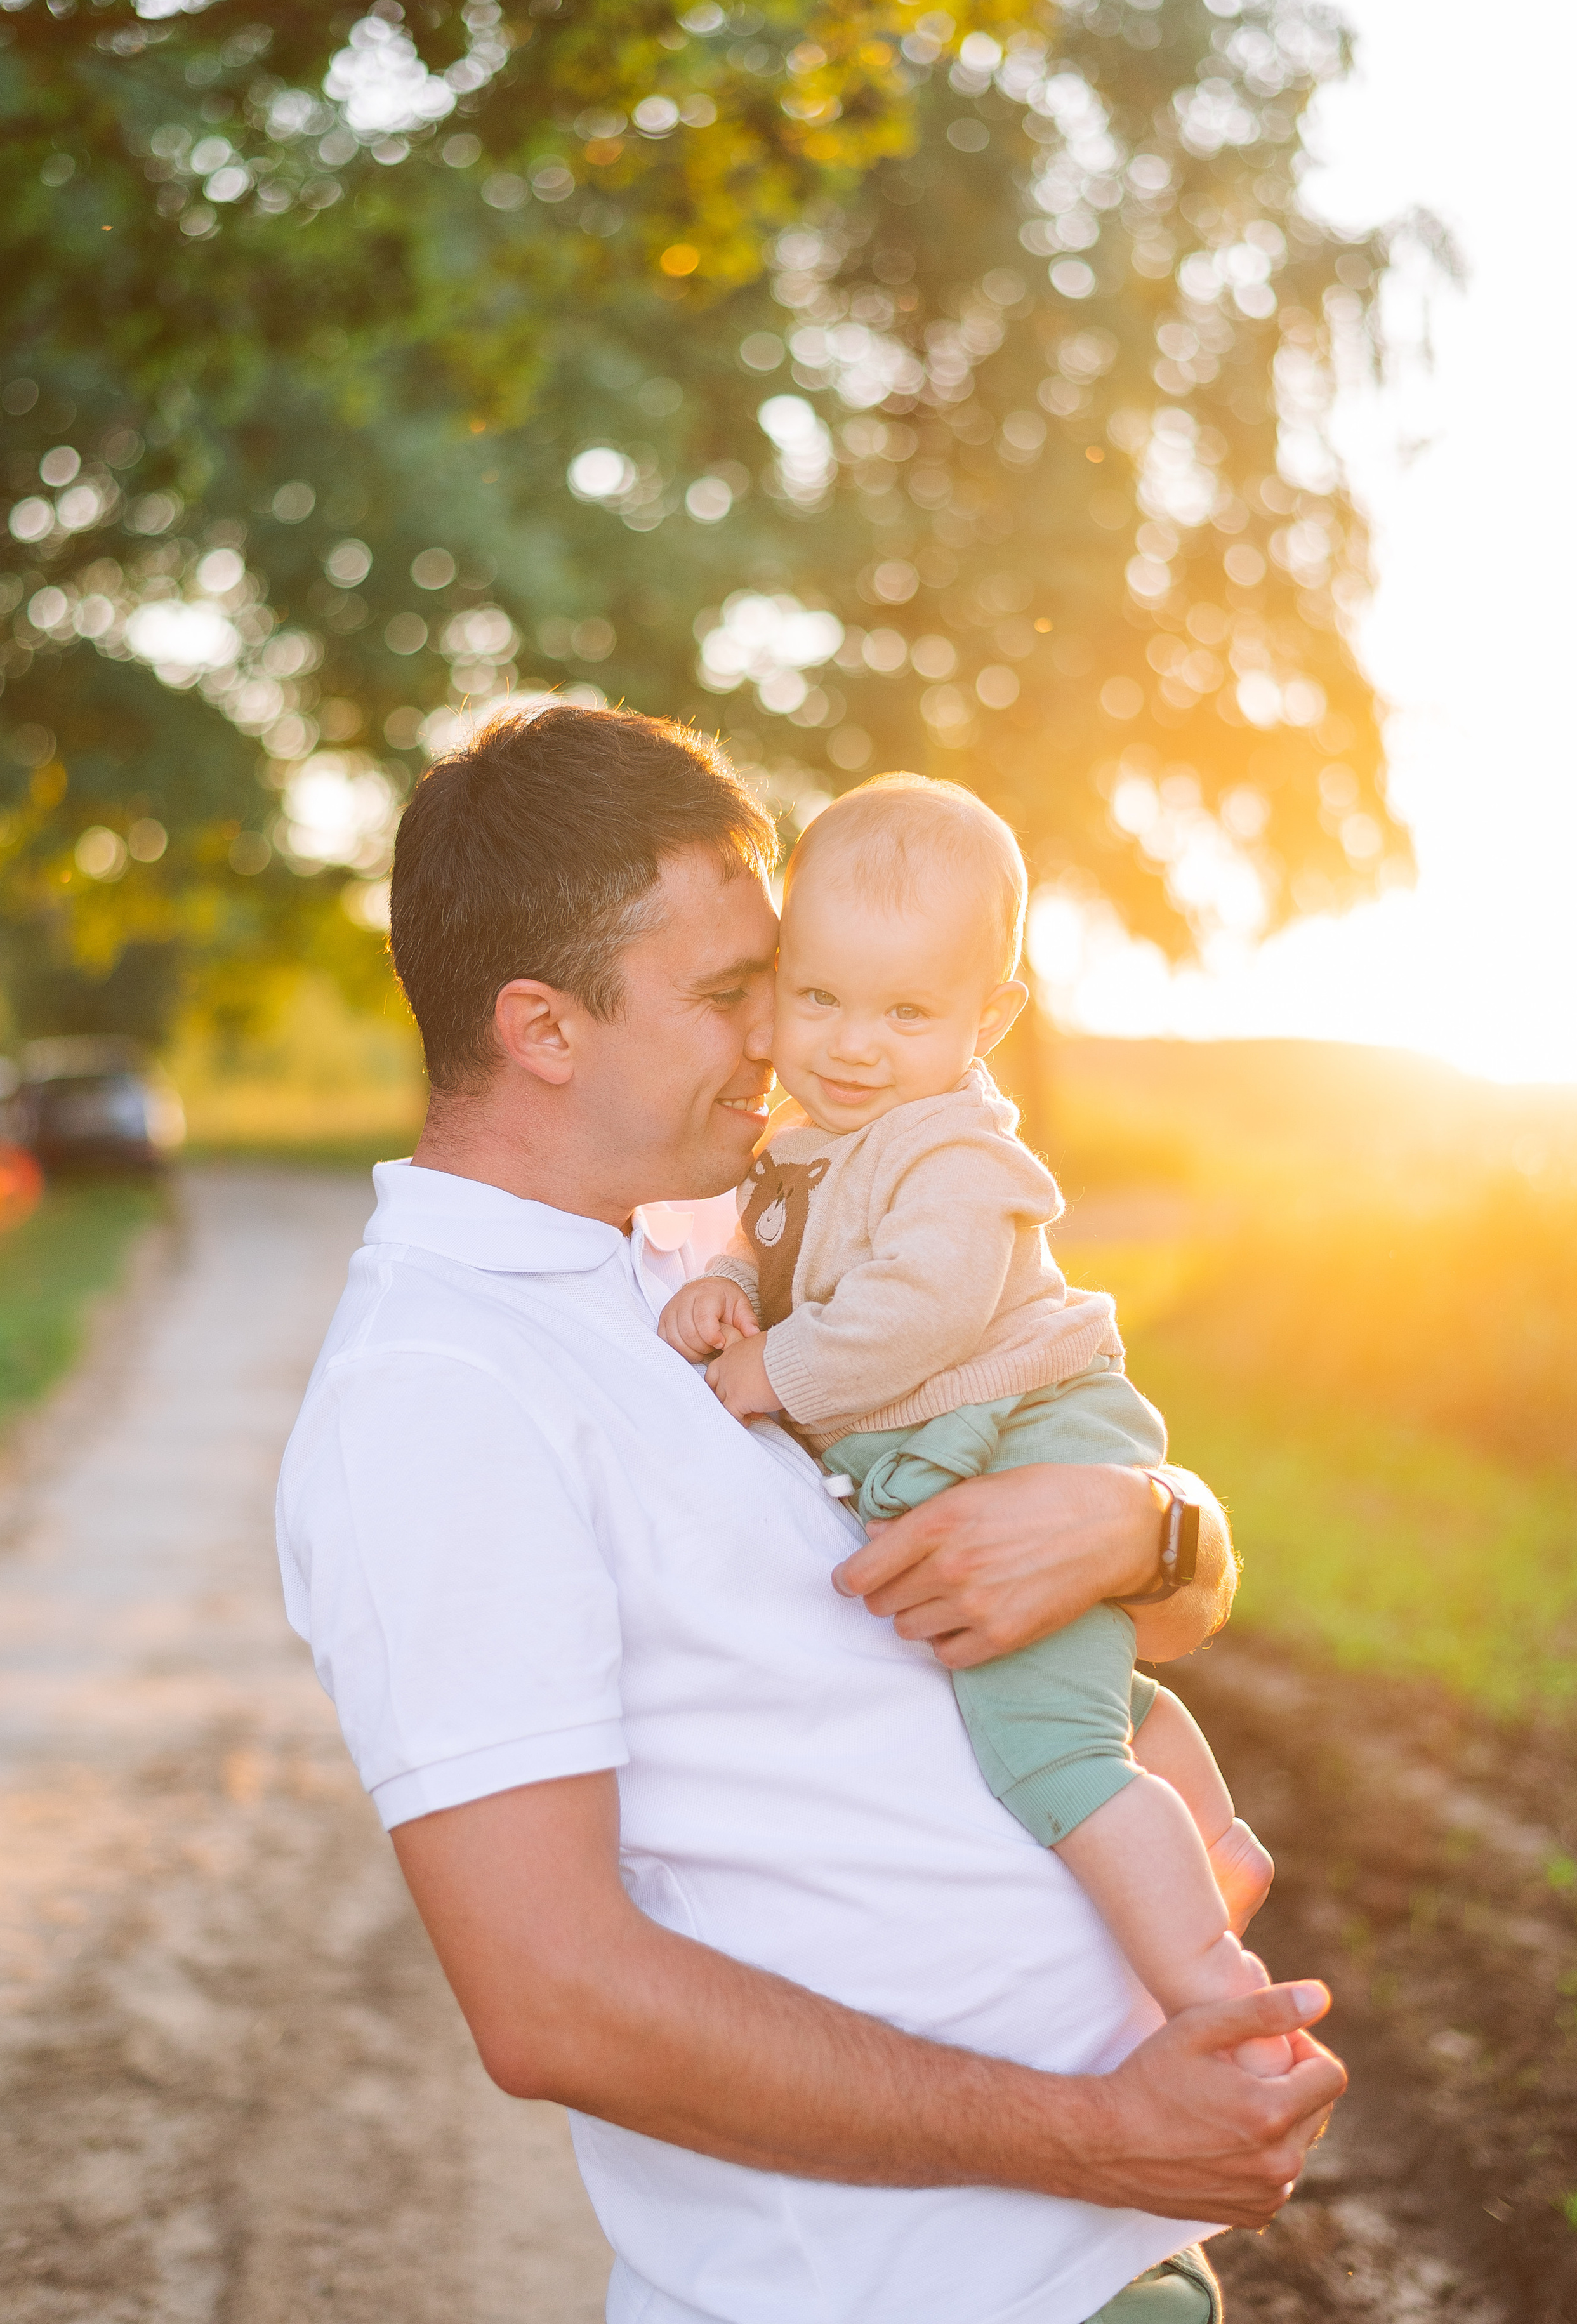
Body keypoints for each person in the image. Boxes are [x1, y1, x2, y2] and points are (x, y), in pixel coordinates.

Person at [275, 703, 1345, 2324]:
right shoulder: (437, 1391)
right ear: (543, 1030)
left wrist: (1146, 1525)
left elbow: (1139, 1577)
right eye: (727, 996)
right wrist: (1098, 2138)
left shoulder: (700, 1260)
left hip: (1085, 2261)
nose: (780, 1040)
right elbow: (551, 2001)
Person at [658, 774, 1288, 2087]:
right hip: (983, 1438)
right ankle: (1212, 1848)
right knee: (1090, 1687)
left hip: (1028, 1431)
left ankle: (1210, 1986)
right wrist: (722, 1278)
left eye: (905, 1012)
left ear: (986, 1017)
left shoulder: (952, 1154)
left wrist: (767, 1366)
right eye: (819, 996)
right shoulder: (805, 1140)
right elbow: (771, 1244)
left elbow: (907, 1316)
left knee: (1041, 1744)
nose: (849, 1043)